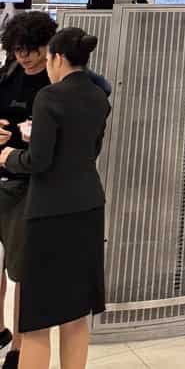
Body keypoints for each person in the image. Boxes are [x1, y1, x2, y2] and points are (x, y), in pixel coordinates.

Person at [0, 28, 110, 369]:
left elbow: (38, 162)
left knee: (37, 318)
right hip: (89, 207)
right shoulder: (98, 97)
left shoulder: (49, 96)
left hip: (50, 213)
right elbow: (89, 151)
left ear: (57, 58)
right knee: (75, 313)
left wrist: (4, 156)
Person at [0, 12, 59, 369]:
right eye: (18, 49)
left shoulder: (56, 87)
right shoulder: (7, 76)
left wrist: (21, 136)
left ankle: (20, 347)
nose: (25, 57)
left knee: (22, 270)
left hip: (29, 186)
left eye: (32, 50)